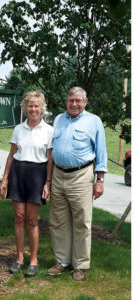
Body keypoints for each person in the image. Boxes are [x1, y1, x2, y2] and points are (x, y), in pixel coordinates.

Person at [48, 86, 107, 281]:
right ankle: (62, 261)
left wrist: (99, 180)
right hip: (58, 175)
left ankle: (80, 265)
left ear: (85, 102)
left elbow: (101, 152)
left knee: (82, 222)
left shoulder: (94, 121)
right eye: (71, 100)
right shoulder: (58, 119)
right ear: (66, 101)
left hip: (81, 176)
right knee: (58, 221)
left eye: (78, 101)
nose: (74, 104)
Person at [0, 90, 54, 277]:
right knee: (19, 217)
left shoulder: (49, 130)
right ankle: (19, 258)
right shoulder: (18, 129)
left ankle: (34, 260)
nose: (33, 109)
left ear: (42, 108)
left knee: (32, 220)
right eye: (30, 106)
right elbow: (11, 155)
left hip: (37, 175)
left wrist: (48, 182)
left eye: (36, 106)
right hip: (18, 174)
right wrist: (4, 179)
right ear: (26, 108)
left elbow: (50, 160)